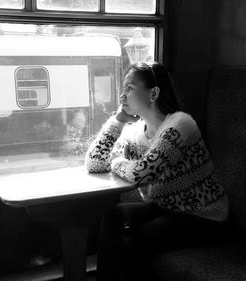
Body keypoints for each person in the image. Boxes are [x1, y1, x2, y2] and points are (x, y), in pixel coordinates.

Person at [85, 62, 229, 281]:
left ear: (153, 93)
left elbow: (141, 173)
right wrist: (118, 121)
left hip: (205, 216)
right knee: (113, 216)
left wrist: (116, 163)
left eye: (130, 88)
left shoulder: (180, 124)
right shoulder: (135, 133)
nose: (123, 96)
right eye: (123, 90)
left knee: (146, 234)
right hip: (165, 208)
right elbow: (95, 162)